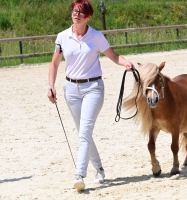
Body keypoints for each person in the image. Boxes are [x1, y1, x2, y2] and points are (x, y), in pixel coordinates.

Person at [47, 0, 134, 192]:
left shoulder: (96, 36)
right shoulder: (62, 37)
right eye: (74, 11)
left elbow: (113, 55)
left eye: (80, 12)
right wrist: (50, 85)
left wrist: (126, 62)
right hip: (70, 89)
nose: (76, 14)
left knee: (85, 131)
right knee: (83, 133)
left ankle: (79, 175)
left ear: (88, 16)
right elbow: (54, 64)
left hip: (93, 88)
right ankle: (99, 168)